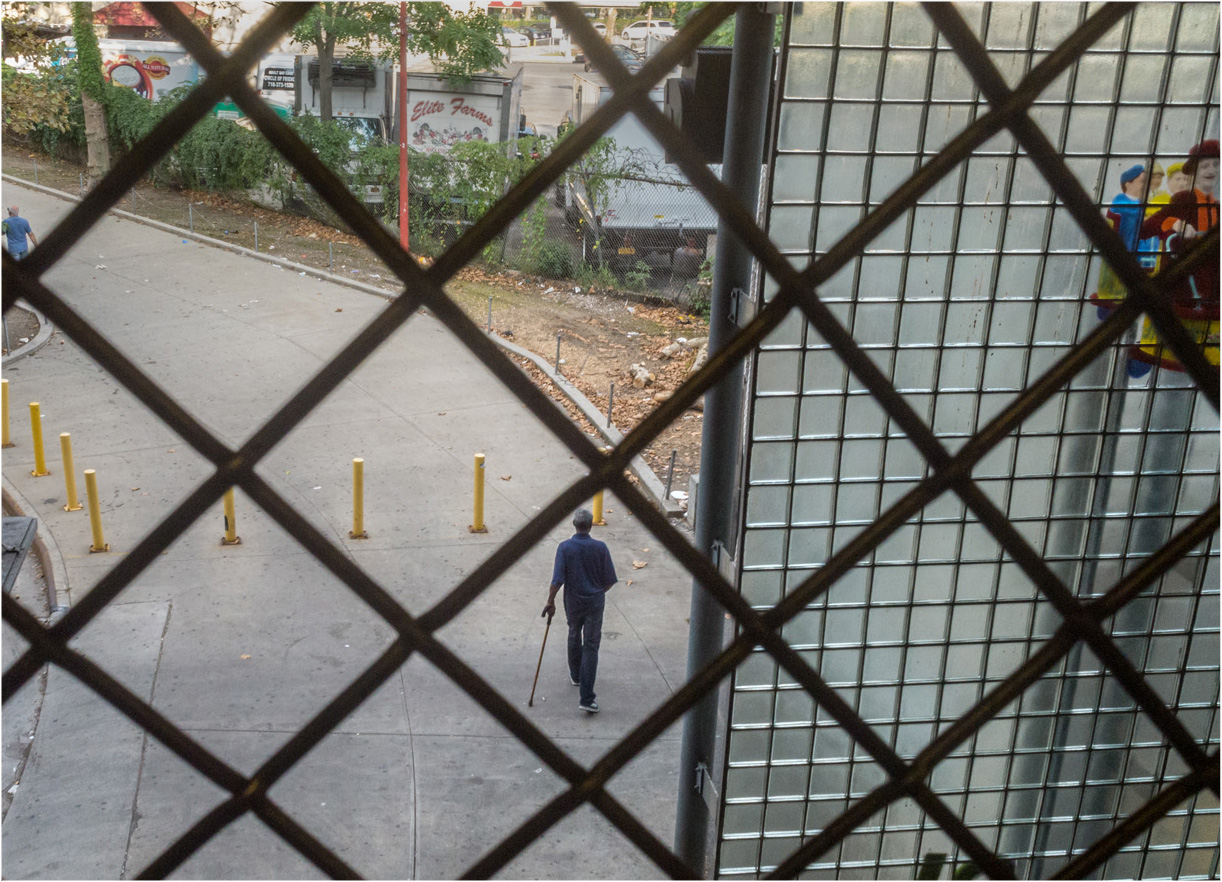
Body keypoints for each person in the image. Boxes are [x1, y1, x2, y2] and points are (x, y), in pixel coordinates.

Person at [542, 509, 618, 714]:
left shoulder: (565, 548)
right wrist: (596, 592)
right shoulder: (600, 548)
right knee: (591, 645)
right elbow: (610, 580)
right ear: (590, 526)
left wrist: (550, 601)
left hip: (573, 601)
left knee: (574, 633)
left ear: (574, 525)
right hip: (594, 602)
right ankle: (587, 697)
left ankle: (576, 674)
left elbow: (557, 580)